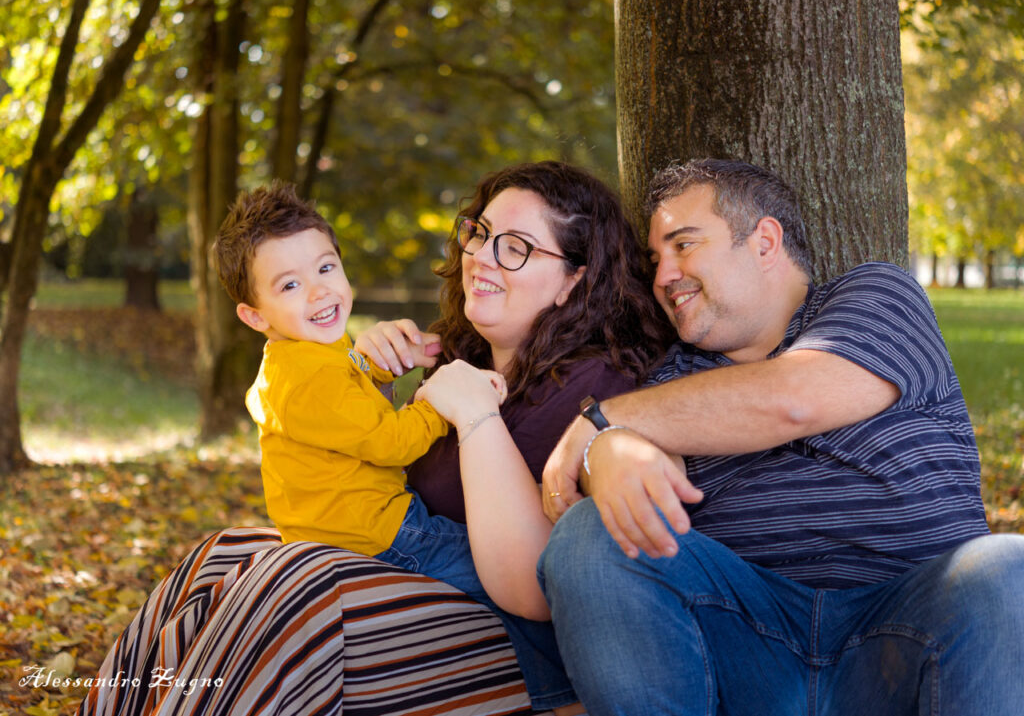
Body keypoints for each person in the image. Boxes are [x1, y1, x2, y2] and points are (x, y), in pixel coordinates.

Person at [79, 161, 671, 716]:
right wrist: (368, 374)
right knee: (223, 557)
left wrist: (467, 412)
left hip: (502, 628)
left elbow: (540, 581)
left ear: (573, 279)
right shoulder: (461, 357)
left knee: (289, 593)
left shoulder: (591, 389)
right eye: (480, 234)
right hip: (405, 560)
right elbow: (375, 452)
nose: (481, 258)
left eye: (515, 247)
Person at [538, 158, 1024, 716]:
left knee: (1005, 569)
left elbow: (794, 398)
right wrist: (608, 448)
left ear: (765, 241)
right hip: (750, 645)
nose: (663, 276)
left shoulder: (877, 297)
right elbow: (645, 477)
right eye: (655, 260)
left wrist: (602, 420)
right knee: (589, 535)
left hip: (910, 628)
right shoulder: (669, 382)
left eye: (683, 245)